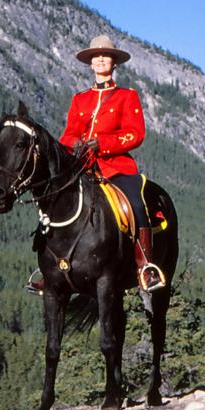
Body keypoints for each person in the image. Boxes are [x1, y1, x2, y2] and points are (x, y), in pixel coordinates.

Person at [27, 34, 166, 294]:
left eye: (106, 55)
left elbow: (135, 134)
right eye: (96, 56)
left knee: (136, 202)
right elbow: (69, 134)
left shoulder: (127, 96)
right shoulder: (79, 99)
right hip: (82, 166)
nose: (100, 59)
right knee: (52, 204)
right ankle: (49, 269)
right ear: (90, 63)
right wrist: (73, 146)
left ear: (114, 62)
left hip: (116, 167)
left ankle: (145, 265)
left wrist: (102, 143)